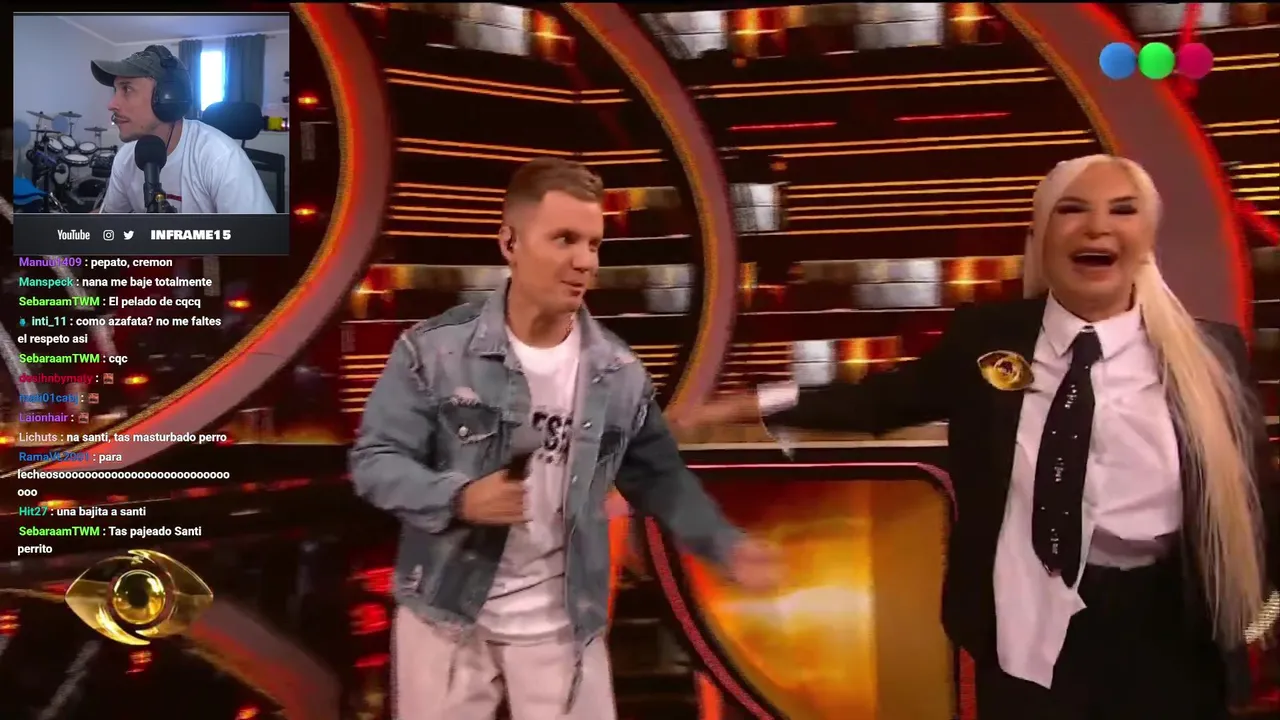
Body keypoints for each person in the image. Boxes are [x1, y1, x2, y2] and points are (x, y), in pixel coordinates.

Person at [670, 155, 1280, 719]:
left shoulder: (1211, 352)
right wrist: (751, 405)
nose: (1098, 227)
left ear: (1147, 237)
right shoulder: (988, 338)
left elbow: (1259, 501)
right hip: (1030, 628)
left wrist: (1263, 621)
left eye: (1123, 210)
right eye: (1072, 209)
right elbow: (880, 400)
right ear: (1041, 234)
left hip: (1171, 629)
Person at [350, 157, 780, 720]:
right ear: (510, 242)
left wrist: (726, 545)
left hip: (560, 620)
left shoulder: (617, 372)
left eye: (594, 245)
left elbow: (661, 478)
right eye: (564, 240)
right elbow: (375, 461)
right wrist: (460, 498)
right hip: (445, 612)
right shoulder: (433, 351)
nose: (585, 262)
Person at [90, 45, 275, 214]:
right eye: (115, 91)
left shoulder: (221, 158)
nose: (111, 104)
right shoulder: (125, 158)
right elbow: (107, 220)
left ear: (168, 97)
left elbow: (258, 237)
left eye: (127, 89)